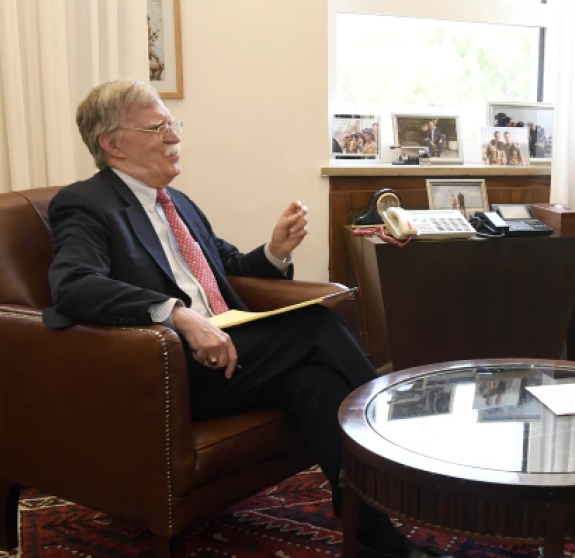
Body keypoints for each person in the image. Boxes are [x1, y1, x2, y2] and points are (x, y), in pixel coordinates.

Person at [46, 79, 435, 558]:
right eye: (159, 126)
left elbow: (226, 268)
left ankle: (375, 537)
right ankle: (404, 447)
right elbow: (73, 285)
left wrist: (274, 251)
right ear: (112, 144)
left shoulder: (179, 202)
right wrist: (175, 314)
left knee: (315, 384)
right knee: (316, 325)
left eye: (174, 124)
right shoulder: (85, 203)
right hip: (170, 367)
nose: (174, 136)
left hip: (236, 350)